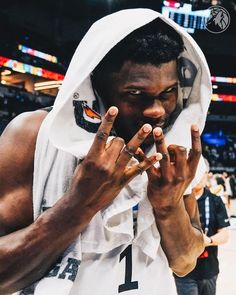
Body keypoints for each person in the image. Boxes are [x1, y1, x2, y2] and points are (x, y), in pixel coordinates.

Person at [0, 9, 212, 295]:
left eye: (167, 93)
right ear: (96, 87)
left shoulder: (173, 147)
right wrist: (80, 204)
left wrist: (169, 206)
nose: (156, 110)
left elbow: (184, 263)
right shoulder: (32, 135)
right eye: (136, 95)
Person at [174, 169, 230, 295]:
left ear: (207, 174)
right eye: (194, 171)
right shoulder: (177, 200)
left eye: (201, 172)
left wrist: (208, 240)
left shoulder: (215, 201)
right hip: (184, 271)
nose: (197, 177)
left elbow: (225, 235)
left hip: (208, 270)